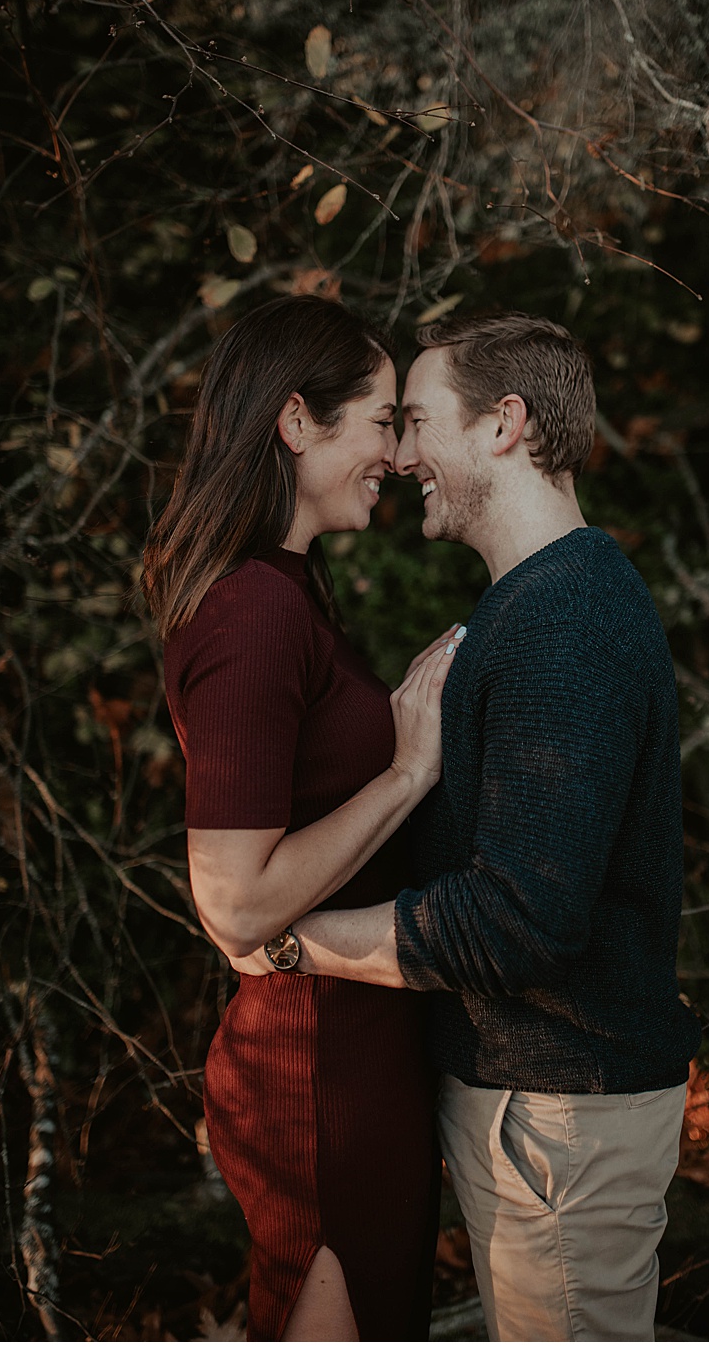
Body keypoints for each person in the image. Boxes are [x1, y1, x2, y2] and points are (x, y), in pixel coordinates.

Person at [251, 312, 705, 1343]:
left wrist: (286, 939)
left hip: (560, 1117)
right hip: (533, 1106)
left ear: (504, 424)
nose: (400, 454)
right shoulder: (534, 602)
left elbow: (519, 923)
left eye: (416, 423)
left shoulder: (566, 624)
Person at [144, 294, 460, 1341]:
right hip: (314, 1068)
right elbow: (233, 902)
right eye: (381, 418)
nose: (400, 450)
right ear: (295, 421)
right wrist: (408, 773)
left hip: (354, 1046)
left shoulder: (288, 591)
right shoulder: (253, 609)